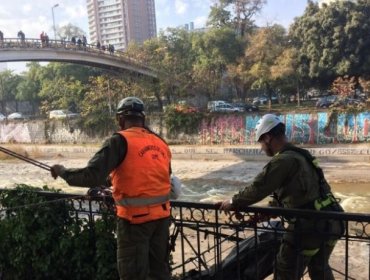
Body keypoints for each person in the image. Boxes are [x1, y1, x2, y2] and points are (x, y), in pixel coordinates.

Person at [50, 97, 172, 280]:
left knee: (132, 274)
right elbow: (152, 174)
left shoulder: (119, 141)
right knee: (159, 273)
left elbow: (92, 176)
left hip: (135, 221)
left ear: (120, 120)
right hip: (162, 219)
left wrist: (63, 172)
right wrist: (111, 180)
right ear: (143, 118)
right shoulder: (160, 143)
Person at [217, 113, 344, 280]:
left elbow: (258, 188)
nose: (262, 147)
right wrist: (263, 214)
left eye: (261, 142)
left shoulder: (283, 160)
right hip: (333, 221)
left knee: (285, 269)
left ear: (268, 138)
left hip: (309, 225)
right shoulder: (300, 155)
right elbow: (297, 194)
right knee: (319, 269)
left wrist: (233, 202)